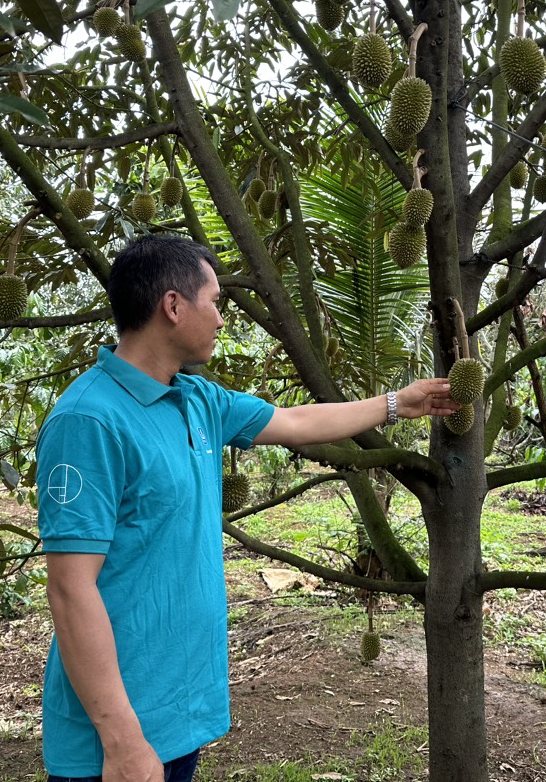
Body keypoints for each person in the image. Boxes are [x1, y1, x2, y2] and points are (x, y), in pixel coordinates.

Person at [35, 234, 458, 782]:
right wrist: (123, 741)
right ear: (173, 306)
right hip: (117, 736)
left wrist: (398, 403)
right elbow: (70, 588)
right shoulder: (88, 420)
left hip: (179, 713)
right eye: (214, 302)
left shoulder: (197, 400)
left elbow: (296, 422)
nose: (220, 318)